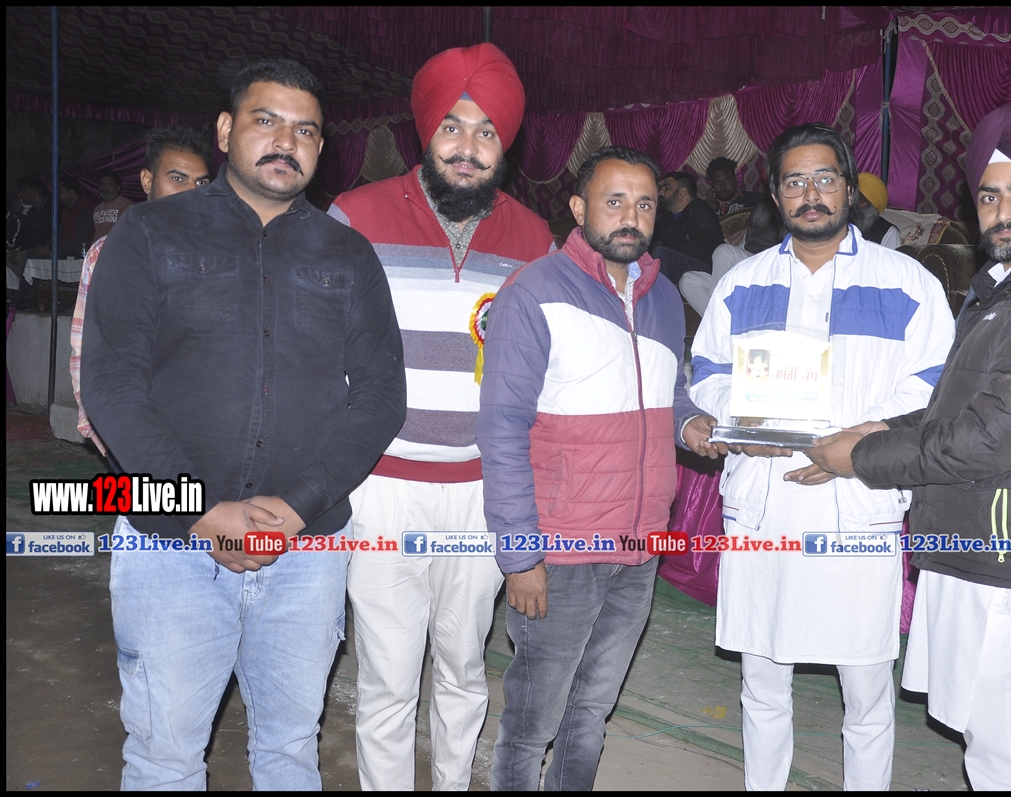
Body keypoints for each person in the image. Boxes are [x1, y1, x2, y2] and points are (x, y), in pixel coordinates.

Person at [80, 59, 407, 789]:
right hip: (171, 549)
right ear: (226, 131)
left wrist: (298, 507)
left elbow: (382, 395)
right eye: (267, 120)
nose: (286, 141)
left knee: (290, 751)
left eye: (306, 130)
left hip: (305, 552)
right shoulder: (150, 234)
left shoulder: (348, 254)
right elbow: (110, 385)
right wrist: (198, 509)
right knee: (165, 757)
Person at [806, 105, 1011, 790]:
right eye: (990, 195)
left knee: (1002, 754)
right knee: (988, 742)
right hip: (976, 537)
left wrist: (858, 459)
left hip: (1006, 551)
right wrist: (878, 430)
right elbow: (962, 406)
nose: (1004, 211)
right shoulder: (1010, 288)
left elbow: (991, 438)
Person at [689, 123, 955, 790]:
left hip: (855, 504)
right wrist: (741, 421)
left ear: (849, 187)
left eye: (825, 178)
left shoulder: (906, 282)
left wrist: (860, 441)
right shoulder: (743, 282)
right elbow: (708, 372)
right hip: (764, 501)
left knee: (866, 689)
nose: (811, 194)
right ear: (776, 195)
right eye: (794, 182)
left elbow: (936, 382)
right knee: (761, 682)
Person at [330, 42, 554, 791]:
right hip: (381, 487)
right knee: (388, 676)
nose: (467, 146)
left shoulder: (534, 239)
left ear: (505, 144)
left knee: (462, 667)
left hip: (482, 494)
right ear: (426, 131)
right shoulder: (354, 217)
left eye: (487, 131)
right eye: (453, 126)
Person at [479, 145, 721, 790]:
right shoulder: (534, 291)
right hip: (561, 548)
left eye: (645, 204)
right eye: (614, 201)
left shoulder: (663, 297)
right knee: (532, 720)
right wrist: (520, 555)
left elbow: (667, 394)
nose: (631, 217)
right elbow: (501, 428)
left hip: (639, 547)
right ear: (579, 207)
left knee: (591, 710)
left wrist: (690, 423)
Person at [70, 126, 212, 456]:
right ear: (147, 181)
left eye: (201, 183)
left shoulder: (219, 257)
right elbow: (84, 350)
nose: (191, 192)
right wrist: (102, 433)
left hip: (204, 432)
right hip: (132, 431)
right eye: (177, 178)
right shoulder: (107, 254)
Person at [678, 194, 786, 316]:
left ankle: (720, 319)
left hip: (772, 266)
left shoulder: (789, 206)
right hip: (749, 265)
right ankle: (723, 321)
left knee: (724, 253)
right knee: (688, 280)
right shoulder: (762, 204)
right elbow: (747, 242)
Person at [653, 170, 726, 283]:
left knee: (660, 254)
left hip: (707, 269)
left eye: (666, 187)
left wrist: (668, 250)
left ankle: (658, 294)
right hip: (682, 265)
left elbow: (702, 248)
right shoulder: (666, 218)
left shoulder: (700, 210)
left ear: (682, 193)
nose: (661, 192)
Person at [853, 172, 901, 249]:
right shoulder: (841, 225)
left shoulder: (888, 233)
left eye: (860, 198)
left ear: (873, 203)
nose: (854, 203)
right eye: (853, 198)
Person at [56, 175, 94, 257]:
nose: (57, 195)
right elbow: (59, 234)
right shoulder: (66, 210)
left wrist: (53, 249)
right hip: (66, 250)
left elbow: (80, 240)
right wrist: (47, 246)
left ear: (70, 192)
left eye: (60, 191)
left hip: (80, 253)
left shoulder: (86, 209)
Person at [91, 169, 135, 239]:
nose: (104, 187)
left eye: (109, 184)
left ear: (118, 187)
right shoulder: (97, 209)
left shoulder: (127, 207)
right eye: (101, 184)